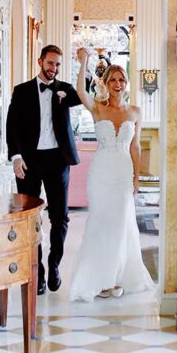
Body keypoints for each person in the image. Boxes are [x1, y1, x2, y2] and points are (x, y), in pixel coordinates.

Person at [69, 48, 155, 301]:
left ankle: (118, 278)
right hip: (101, 173)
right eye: (113, 80)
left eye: (121, 80)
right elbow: (80, 92)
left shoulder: (135, 112)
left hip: (122, 172)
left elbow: (135, 146)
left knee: (121, 224)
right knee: (101, 224)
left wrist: (136, 178)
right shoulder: (97, 108)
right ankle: (100, 281)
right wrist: (83, 61)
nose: (118, 84)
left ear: (126, 84)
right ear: (106, 84)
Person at [6, 45, 82, 295]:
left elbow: (85, 94)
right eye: (50, 63)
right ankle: (35, 269)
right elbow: (12, 126)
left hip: (58, 160)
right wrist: (16, 157)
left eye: (58, 64)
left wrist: (84, 62)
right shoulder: (22, 91)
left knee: (59, 216)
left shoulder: (65, 90)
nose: (54, 68)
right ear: (40, 61)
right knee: (30, 217)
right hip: (29, 161)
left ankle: (54, 264)